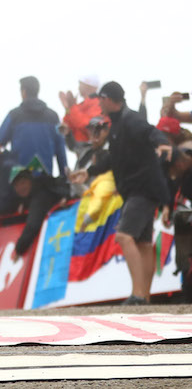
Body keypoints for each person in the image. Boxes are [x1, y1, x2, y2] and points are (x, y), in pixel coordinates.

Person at [73, 81, 172, 305]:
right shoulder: (118, 124)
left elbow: (150, 131)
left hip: (142, 190)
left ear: (108, 100)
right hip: (143, 189)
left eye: (100, 99)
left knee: (124, 237)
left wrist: (163, 143)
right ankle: (144, 296)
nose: (98, 102)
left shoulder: (129, 119)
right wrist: (88, 172)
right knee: (143, 243)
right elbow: (112, 159)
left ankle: (137, 295)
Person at [0, 75, 68, 178]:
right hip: (45, 181)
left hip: (20, 182)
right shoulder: (53, 116)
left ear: (23, 92)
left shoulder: (14, 115)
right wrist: (64, 179)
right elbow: (60, 149)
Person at [59, 75, 102, 153]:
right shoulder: (81, 105)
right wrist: (67, 109)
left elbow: (86, 125)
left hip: (92, 151)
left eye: (80, 83)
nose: (78, 87)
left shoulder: (98, 104)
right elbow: (68, 127)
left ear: (88, 85)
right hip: (80, 150)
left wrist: (71, 107)